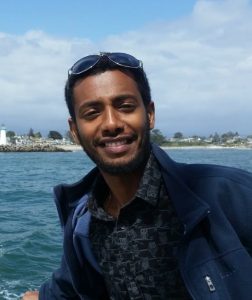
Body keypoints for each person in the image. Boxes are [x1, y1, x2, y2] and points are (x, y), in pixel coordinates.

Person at [23, 52, 252, 300]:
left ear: (150, 114)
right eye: (92, 113)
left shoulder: (228, 196)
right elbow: (68, 288)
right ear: (74, 131)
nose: (111, 123)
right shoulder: (84, 224)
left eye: (125, 106)